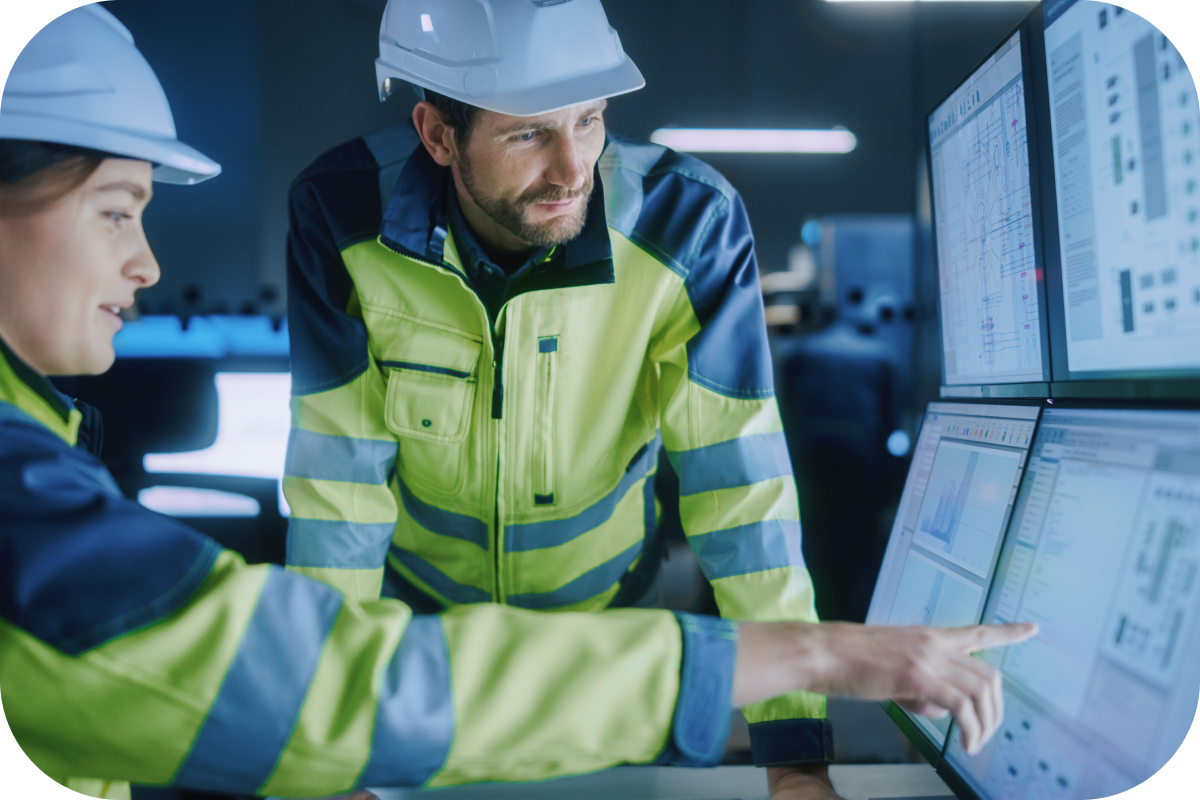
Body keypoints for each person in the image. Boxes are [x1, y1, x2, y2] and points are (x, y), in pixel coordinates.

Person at [0, 5, 1036, 800]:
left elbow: (742, 502)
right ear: (436, 134)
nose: (573, 165)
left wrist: (796, 752)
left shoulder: (689, 223)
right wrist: (344, 759)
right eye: (531, 134)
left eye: (590, 120)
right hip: (408, 638)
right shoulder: (341, 214)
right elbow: (339, 492)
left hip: (614, 627)